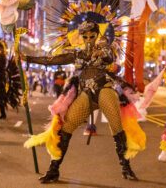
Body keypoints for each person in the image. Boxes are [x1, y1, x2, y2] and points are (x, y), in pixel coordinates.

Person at [23, 20, 146, 183]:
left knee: (116, 127)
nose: (89, 39)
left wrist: (100, 52)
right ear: (81, 36)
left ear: (97, 35)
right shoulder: (77, 53)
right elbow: (51, 60)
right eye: (85, 36)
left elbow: (111, 57)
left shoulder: (105, 48)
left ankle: (126, 168)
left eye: (92, 36)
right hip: (85, 93)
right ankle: (54, 169)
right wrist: (26, 58)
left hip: (104, 89)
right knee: (65, 128)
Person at [123, 0, 158, 93]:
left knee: (138, 52)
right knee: (128, 51)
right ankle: (128, 81)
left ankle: (139, 83)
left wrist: (154, 10)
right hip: (132, 20)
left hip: (140, 20)